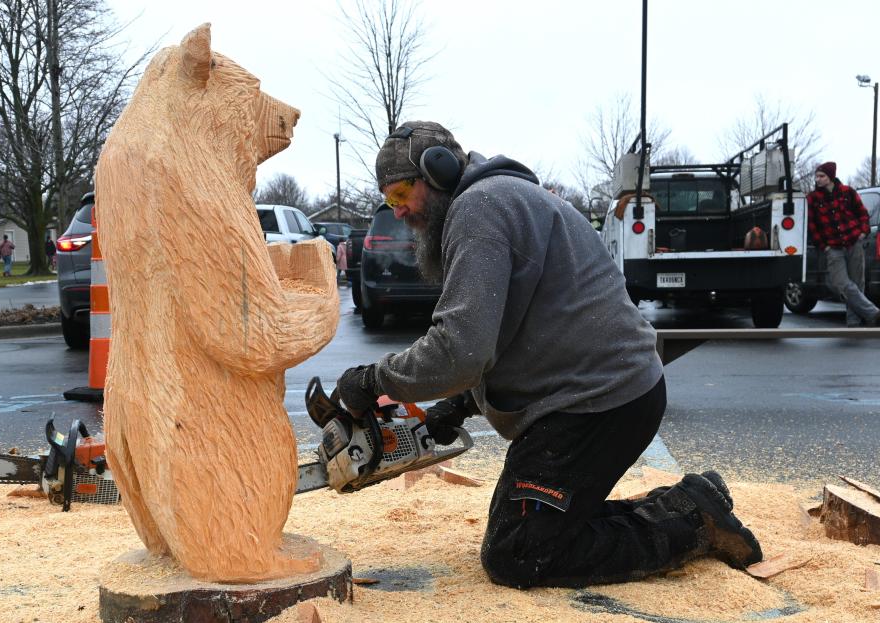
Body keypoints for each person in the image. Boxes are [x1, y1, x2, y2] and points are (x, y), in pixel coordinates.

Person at [335, 121, 762, 590]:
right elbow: (521, 330)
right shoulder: (498, 200)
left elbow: (460, 349)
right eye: (388, 201)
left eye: (400, 196)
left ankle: (693, 524)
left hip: (599, 401)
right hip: (597, 390)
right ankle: (687, 502)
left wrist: (373, 381)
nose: (397, 212)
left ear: (436, 173)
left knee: (519, 552)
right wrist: (456, 407)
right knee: (532, 531)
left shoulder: (478, 211)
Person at [806, 161, 879, 327]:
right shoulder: (813, 198)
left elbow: (862, 214)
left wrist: (863, 232)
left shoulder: (848, 192)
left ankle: (853, 322)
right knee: (842, 283)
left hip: (854, 243)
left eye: (822, 176)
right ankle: (873, 313)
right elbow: (812, 225)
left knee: (857, 283)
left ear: (830, 176)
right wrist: (824, 246)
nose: (818, 179)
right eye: (816, 176)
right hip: (833, 248)